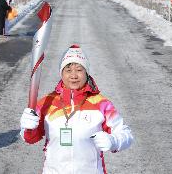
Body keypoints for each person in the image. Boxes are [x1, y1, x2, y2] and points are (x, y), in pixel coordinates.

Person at [20, 44, 134, 174]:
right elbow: (30, 138)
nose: (73, 75)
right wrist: (28, 129)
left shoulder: (101, 103)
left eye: (79, 69)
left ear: (86, 72)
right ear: (61, 73)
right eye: (68, 70)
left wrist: (113, 141)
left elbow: (126, 135)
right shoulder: (47, 103)